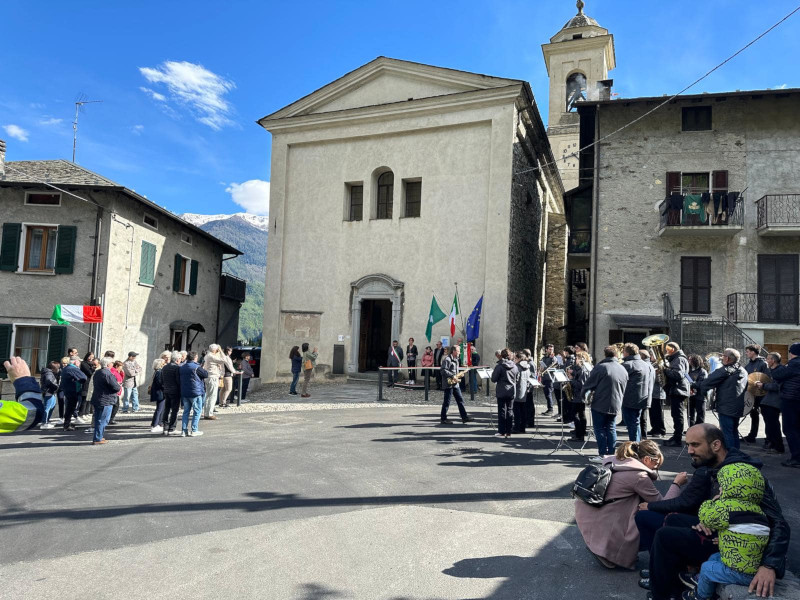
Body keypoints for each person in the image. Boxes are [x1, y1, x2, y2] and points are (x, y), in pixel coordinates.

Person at [644, 424, 789, 600]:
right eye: (688, 445)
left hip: (742, 545)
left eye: (695, 445)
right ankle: (673, 581)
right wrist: (704, 521)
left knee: (665, 536)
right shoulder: (715, 467)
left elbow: (779, 522)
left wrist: (769, 565)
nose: (689, 451)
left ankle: (663, 595)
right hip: (724, 531)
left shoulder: (743, 474)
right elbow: (709, 505)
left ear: (716, 445)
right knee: (674, 520)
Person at [575, 440, 681, 570]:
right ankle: (610, 552)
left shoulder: (617, 462)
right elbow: (664, 504)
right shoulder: (638, 476)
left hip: (588, 513)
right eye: (656, 464)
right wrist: (676, 484)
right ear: (647, 459)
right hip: (601, 518)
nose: (656, 468)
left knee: (642, 507)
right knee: (648, 517)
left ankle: (604, 547)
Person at [684, 462, 771, 600]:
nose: (719, 490)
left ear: (731, 488)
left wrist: (712, 502)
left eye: (722, 487)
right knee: (714, 558)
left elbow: (706, 518)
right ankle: (701, 581)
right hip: (751, 566)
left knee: (707, 567)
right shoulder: (758, 510)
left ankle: (700, 595)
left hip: (741, 573)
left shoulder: (727, 508)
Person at [693, 348, 747, 450]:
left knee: (727, 433)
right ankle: (736, 455)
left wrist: (698, 388)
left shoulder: (725, 370)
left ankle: (730, 457)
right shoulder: (743, 370)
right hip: (738, 406)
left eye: (723, 356)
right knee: (733, 431)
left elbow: (707, 382)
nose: (721, 358)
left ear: (727, 358)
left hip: (726, 406)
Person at [582, 346, 628, 462]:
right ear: (616, 355)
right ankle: (611, 454)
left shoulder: (601, 367)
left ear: (605, 354)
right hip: (616, 403)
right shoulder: (622, 368)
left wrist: (584, 396)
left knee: (599, 429)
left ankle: (602, 454)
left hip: (600, 403)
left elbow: (588, 384)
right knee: (611, 428)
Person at [770, 342, 800, 468]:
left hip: (791, 399)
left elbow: (778, 375)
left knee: (790, 429)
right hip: (796, 399)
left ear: (792, 353)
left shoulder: (794, 363)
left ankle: (796, 458)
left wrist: (774, 366)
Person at [621, 343, 653, 442]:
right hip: (642, 397)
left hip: (629, 398)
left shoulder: (627, 365)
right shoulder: (645, 364)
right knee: (636, 422)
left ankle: (635, 445)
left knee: (631, 423)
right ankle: (637, 443)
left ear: (626, 353)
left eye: (623, 351)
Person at [663, 342, 690, 447]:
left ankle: (677, 438)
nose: (666, 351)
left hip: (679, 390)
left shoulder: (679, 359)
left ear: (672, 349)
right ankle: (676, 436)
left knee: (677, 415)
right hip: (677, 389)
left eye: (667, 349)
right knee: (675, 414)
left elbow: (678, 374)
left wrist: (665, 370)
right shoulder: (677, 358)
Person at [756, 352, 784, 454]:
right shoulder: (772, 370)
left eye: (768, 359)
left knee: (774, 425)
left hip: (774, 402)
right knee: (770, 424)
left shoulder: (780, 370)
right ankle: (772, 443)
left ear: (773, 360)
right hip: (768, 401)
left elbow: (777, 386)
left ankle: (778, 446)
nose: (766, 361)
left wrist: (763, 386)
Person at [91, 357, 122, 445]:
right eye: (112, 363)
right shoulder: (107, 374)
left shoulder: (97, 372)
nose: (113, 364)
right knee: (103, 420)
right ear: (109, 364)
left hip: (97, 398)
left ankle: (98, 436)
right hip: (106, 399)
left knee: (98, 419)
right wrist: (119, 385)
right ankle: (98, 438)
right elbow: (116, 387)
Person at [440, 345, 473, 424]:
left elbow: (454, 370)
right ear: (453, 351)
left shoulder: (456, 359)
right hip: (449, 384)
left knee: (460, 400)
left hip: (455, 384)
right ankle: (443, 419)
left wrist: (459, 374)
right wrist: (452, 375)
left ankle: (464, 417)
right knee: (447, 402)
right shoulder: (447, 359)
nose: (459, 353)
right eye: (458, 351)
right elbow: (443, 370)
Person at [743, 344, 770, 444]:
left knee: (766, 416)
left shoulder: (763, 363)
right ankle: (752, 435)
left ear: (753, 352)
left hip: (762, 394)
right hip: (752, 393)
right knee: (753, 414)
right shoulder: (748, 364)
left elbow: (767, 378)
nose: (746, 353)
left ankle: (769, 438)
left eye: (748, 351)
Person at [179, 351, 208, 437]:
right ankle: (194, 430)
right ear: (195, 357)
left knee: (186, 412)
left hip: (185, 391)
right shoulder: (196, 367)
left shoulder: (182, 367)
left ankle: (184, 431)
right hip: (195, 392)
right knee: (197, 411)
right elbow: (206, 374)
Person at [491, 349, 518, 438]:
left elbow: (493, 378)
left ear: (501, 356)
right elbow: (517, 378)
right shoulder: (514, 366)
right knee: (510, 410)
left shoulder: (499, 366)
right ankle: (509, 431)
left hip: (502, 390)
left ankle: (501, 431)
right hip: (511, 390)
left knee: (502, 411)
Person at [567, 351, 592, 442]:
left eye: (577, 358)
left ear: (581, 359)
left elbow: (580, 384)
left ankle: (579, 435)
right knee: (581, 414)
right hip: (580, 395)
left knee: (575, 414)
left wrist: (570, 380)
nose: (575, 360)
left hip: (579, 395)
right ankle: (580, 433)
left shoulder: (583, 370)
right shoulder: (583, 369)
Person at [202, 344, 228, 419]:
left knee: (208, 396)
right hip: (212, 377)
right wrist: (221, 351)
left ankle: (207, 413)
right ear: (214, 350)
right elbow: (224, 360)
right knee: (212, 396)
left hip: (209, 377)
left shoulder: (208, 355)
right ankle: (209, 413)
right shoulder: (211, 356)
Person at [60, 356, 87, 431]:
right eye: (79, 361)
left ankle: (67, 423)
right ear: (75, 361)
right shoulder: (73, 368)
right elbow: (84, 377)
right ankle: (67, 425)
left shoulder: (66, 368)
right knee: (70, 408)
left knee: (69, 407)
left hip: (68, 390)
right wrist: (79, 381)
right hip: (72, 390)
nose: (80, 363)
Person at [160, 351, 183, 436]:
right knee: (174, 410)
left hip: (166, 390)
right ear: (177, 359)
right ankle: (172, 428)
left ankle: (165, 428)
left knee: (167, 409)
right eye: (180, 359)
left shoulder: (165, 367)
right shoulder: (177, 368)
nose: (181, 360)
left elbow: (161, 379)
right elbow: (178, 381)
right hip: (175, 391)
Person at [648, 351, 668, 437]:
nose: (650, 356)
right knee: (652, 412)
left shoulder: (661, 364)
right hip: (652, 392)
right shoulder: (653, 364)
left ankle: (660, 430)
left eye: (651, 355)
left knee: (658, 413)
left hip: (658, 392)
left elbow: (660, 380)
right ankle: (654, 428)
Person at [687, 354, 709, 427]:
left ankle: (699, 429)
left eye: (690, 360)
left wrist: (690, 384)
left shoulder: (702, 372)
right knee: (690, 413)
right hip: (691, 395)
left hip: (700, 395)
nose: (688, 361)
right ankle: (691, 428)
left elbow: (701, 384)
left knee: (700, 414)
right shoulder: (689, 371)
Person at [512, 350, 530, 433]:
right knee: (523, 410)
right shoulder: (527, 367)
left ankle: (517, 427)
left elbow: (515, 379)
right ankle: (522, 427)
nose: (514, 359)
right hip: (524, 391)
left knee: (517, 411)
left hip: (517, 391)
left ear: (519, 359)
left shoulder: (517, 367)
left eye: (515, 358)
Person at [39, 360, 60, 430]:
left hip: (50, 392)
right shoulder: (48, 373)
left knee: (51, 406)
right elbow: (49, 381)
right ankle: (44, 422)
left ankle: (46, 421)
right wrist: (56, 386)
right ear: (54, 368)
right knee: (47, 407)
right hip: (49, 392)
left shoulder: (48, 372)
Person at [539, 344, 559, 415]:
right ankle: (549, 409)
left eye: (552, 349)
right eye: (550, 349)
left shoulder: (554, 358)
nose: (551, 351)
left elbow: (556, 365)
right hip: (544, 378)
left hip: (550, 378)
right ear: (546, 350)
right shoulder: (544, 358)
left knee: (548, 394)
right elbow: (542, 367)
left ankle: (550, 409)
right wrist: (540, 371)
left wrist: (553, 358)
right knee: (546, 394)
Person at [78, 352, 96, 423]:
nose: (91, 358)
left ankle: (86, 412)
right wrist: (93, 368)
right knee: (84, 398)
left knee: (89, 397)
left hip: (91, 382)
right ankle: (81, 413)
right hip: (85, 381)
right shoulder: (84, 363)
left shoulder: (92, 364)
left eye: (92, 357)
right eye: (90, 357)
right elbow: (89, 372)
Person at [149, 358, 166, 433]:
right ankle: (154, 425)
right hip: (160, 393)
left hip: (159, 392)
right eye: (163, 363)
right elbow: (160, 383)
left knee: (160, 409)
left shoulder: (157, 372)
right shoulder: (159, 372)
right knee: (159, 409)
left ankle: (158, 423)